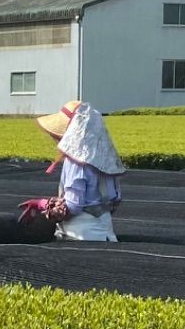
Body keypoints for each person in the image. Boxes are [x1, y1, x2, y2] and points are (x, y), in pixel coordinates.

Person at [17, 100, 125, 242]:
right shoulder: (105, 159)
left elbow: (73, 206)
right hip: (106, 232)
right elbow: (114, 199)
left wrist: (43, 204)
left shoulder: (76, 162)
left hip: (80, 234)